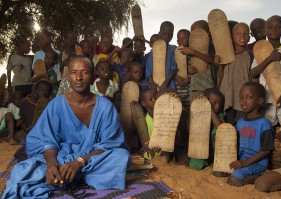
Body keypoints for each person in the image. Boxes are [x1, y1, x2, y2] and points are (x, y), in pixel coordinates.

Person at [2, 55, 130, 198]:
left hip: (90, 160)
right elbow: (45, 139)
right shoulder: (56, 105)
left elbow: (109, 144)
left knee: (121, 156)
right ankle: (65, 174)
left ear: (93, 76)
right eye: (74, 72)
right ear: (68, 76)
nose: (79, 77)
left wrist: (79, 162)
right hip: (60, 158)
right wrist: (51, 164)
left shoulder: (105, 107)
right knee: (21, 171)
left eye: (85, 72)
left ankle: (65, 176)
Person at [250, 15, 281, 127]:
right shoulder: (259, 52)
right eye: (270, 27)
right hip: (265, 99)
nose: (274, 29)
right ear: (265, 30)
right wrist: (270, 59)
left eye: (278, 27)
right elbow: (253, 73)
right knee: (267, 130)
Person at [227, 82, 274, 187]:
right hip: (241, 160)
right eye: (241, 97)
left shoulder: (264, 123)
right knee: (219, 172)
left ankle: (260, 175)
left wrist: (244, 163)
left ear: (260, 100)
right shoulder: (240, 122)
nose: (243, 101)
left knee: (234, 180)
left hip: (257, 163)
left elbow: (266, 150)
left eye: (249, 97)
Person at [219, 22, 252, 125]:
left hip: (244, 96)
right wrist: (219, 63)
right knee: (229, 125)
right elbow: (221, 77)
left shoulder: (250, 54)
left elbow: (253, 76)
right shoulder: (226, 54)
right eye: (238, 33)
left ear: (249, 37)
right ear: (232, 37)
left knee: (241, 124)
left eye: (245, 33)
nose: (242, 36)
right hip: (227, 95)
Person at [189, 88, 225, 170]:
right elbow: (188, 128)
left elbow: (220, 129)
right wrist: (196, 105)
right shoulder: (198, 113)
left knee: (217, 130)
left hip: (215, 152)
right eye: (214, 103)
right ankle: (204, 165)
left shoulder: (219, 115)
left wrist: (209, 108)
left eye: (220, 104)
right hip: (201, 151)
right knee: (195, 163)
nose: (217, 106)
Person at [145, 21, 178, 90]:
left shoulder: (174, 49)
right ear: (159, 34)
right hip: (154, 85)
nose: (167, 37)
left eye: (170, 35)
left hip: (169, 85)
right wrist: (152, 83)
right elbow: (148, 70)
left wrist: (165, 84)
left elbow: (174, 69)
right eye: (164, 34)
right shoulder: (153, 50)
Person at [140, 88, 161, 160]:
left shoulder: (164, 118)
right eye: (151, 99)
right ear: (143, 103)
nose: (155, 101)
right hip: (149, 155)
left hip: (163, 153)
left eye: (156, 98)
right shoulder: (143, 120)